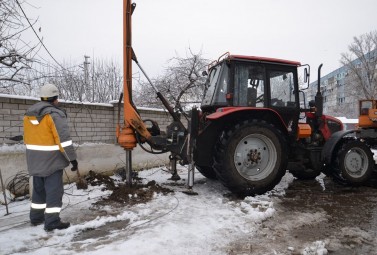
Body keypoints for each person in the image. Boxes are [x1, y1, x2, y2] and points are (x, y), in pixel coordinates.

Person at [23, 83, 78, 231]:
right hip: (52, 161)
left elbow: (27, 138)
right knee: (54, 192)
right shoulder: (54, 114)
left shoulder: (29, 114)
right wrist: (72, 159)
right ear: (55, 98)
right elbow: (63, 139)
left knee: (39, 191)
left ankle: (36, 218)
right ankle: (52, 221)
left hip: (35, 161)